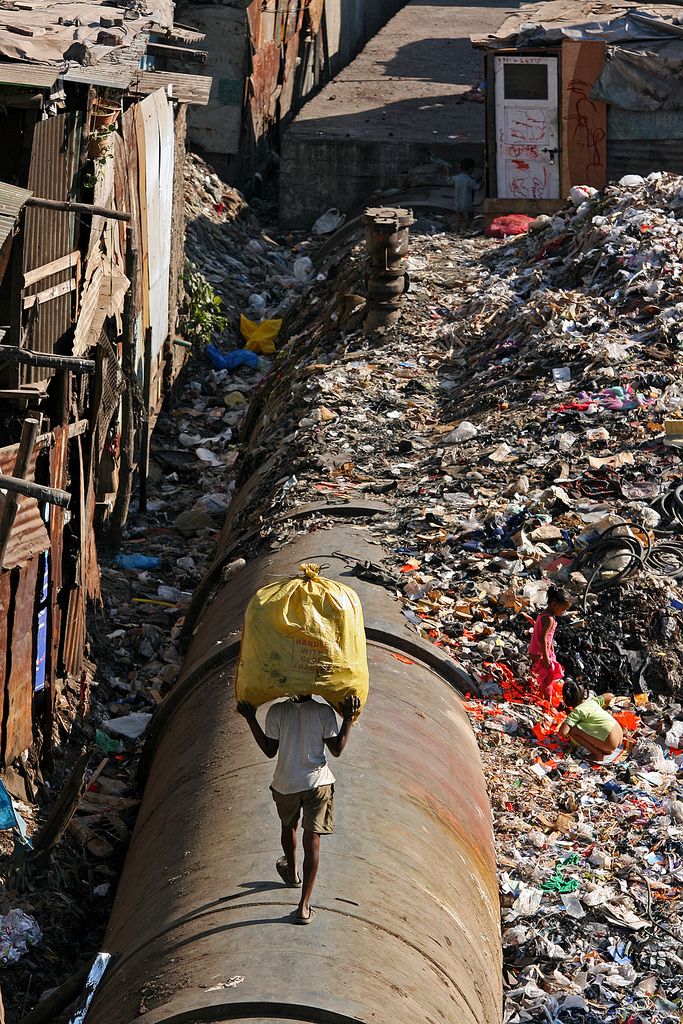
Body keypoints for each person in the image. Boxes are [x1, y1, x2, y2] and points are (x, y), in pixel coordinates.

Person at [237, 693, 360, 925]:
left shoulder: (277, 712)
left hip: (286, 784)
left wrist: (250, 718)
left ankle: (292, 874)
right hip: (317, 783)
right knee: (312, 841)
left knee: (288, 826)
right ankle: (304, 907)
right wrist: (348, 718)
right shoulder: (323, 712)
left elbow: (269, 750)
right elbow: (337, 749)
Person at [528, 585, 573, 706]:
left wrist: (550, 650)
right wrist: (546, 656)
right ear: (554, 604)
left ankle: (541, 697)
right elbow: (542, 638)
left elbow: (547, 637)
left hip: (538, 650)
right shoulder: (549, 619)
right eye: (563, 609)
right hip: (540, 652)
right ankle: (547, 703)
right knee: (547, 679)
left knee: (545, 677)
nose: (563, 612)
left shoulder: (543, 614)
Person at [558, 680, 623, 762]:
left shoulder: (577, 712)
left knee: (573, 730)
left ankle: (597, 755)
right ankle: (605, 748)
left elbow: (562, 732)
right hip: (620, 735)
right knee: (587, 726)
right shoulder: (592, 702)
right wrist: (605, 708)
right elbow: (609, 696)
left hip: (611, 742)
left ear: (566, 699)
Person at [447, 157, 478, 232]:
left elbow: (449, 181)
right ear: (471, 169)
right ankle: (465, 228)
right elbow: (477, 187)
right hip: (467, 203)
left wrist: (447, 172)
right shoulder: (469, 180)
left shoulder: (456, 178)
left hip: (458, 202)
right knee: (471, 216)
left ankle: (457, 230)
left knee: (459, 218)